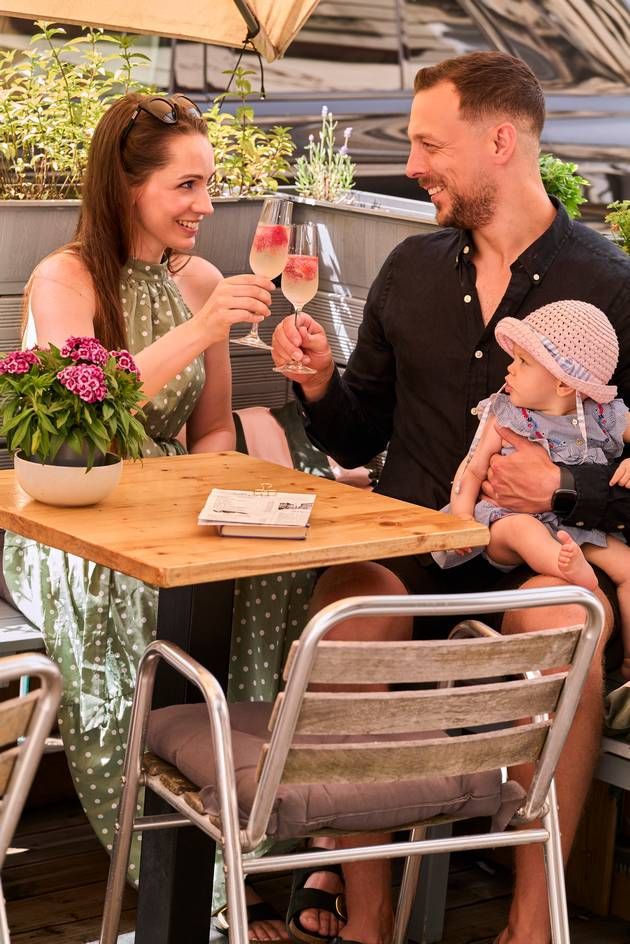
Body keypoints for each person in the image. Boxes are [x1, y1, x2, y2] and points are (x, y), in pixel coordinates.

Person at [271, 51, 630, 944]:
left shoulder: (612, 284)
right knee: (350, 612)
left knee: (569, 614)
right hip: (409, 546)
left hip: (532, 558)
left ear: (499, 141)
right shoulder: (410, 267)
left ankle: (532, 920)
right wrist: (317, 386)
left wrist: (564, 486)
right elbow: (360, 433)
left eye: (430, 144)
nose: (413, 163)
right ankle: (367, 919)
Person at [1, 92, 288, 941]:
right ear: (129, 190)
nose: (206, 204)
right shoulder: (66, 279)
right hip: (70, 516)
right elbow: (87, 425)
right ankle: (179, 876)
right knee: (125, 600)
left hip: (171, 509)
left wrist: (216, 508)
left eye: (211, 183)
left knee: (278, 579)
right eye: (187, 186)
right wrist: (200, 329)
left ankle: (251, 832)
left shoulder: (198, 278)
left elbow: (210, 431)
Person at [434, 299, 630, 681]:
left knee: (628, 567)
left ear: (562, 382)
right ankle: (580, 580)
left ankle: (627, 670)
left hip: (573, 527)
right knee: (525, 532)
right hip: (506, 521)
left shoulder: (604, 416)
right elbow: (471, 468)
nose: (509, 367)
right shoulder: (505, 413)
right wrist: (460, 517)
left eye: (523, 361)